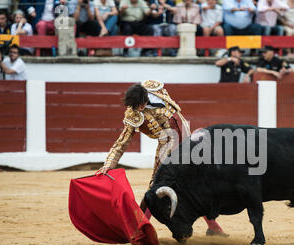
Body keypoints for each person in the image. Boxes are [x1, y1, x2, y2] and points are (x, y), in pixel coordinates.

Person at [97, 80, 227, 237]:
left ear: (146, 99)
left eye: (141, 104)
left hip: (186, 139)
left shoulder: (156, 90)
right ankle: (140, 227)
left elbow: (177, 118)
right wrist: (109, 164)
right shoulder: (134, 115)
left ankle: (213, 227)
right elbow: (121, 143)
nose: (139, 109)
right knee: (158, 185)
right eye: (136, 106)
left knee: (188, 185)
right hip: (168, 144)